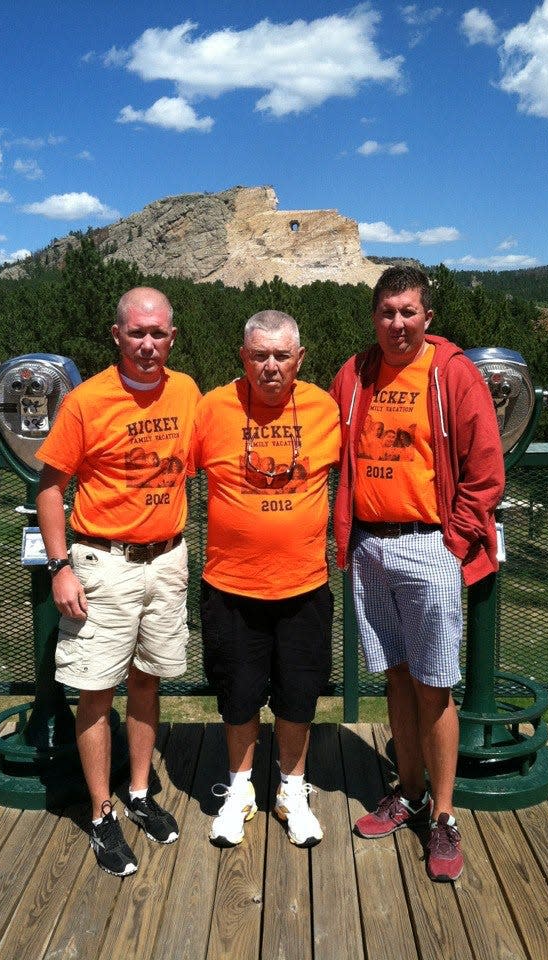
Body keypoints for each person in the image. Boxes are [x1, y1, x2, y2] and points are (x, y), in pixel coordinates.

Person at [330, 265, 504, 882]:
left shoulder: (452, 373)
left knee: (435, 684)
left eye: (408, 312)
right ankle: (407, 791)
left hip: (430, 542)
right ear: (373, 317)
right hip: (372, 547)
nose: (397, 324)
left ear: (427, 317)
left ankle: (445, 815)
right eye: (386, 312)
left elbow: (486, 469)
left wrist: (454, 541)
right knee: (397, 678)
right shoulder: (354, 375)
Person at [36, 287, 200, 877]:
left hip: (167, 559)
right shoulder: (86, 401)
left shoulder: (186, 392)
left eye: (158, 333)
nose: (148, 344)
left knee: (147, 682)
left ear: (172, 338)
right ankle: (101, 814)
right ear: (117, 335)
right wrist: (61, 568)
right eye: (137, 333)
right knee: (96, 690)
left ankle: (138, 792)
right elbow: (50, 487)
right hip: (103, 563)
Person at [193, 310, 340, 848]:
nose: (271, 366)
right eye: (260, 355)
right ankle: (239, 790)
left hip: (303, 585)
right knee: (237, 694)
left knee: (299, 695)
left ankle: (292, 790)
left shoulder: (325, 408)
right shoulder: (213, 408)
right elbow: (162, 468)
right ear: (244, 358)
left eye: (281, 355)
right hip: (231, 585)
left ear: (299, 359)